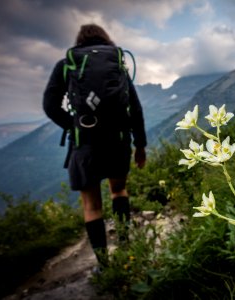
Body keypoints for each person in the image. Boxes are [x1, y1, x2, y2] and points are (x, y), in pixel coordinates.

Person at [43, 24, 147, 268]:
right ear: (105, 39)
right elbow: (136, 109)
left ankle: (104, 264)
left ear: (80, 41)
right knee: (119, 191)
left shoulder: (66, 64)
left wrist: (74, 125)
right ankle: (126, 246)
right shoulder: (116, 63)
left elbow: (49, 105)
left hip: (85, 144)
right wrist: (140, 146)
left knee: (91, 206)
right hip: (118, 141)